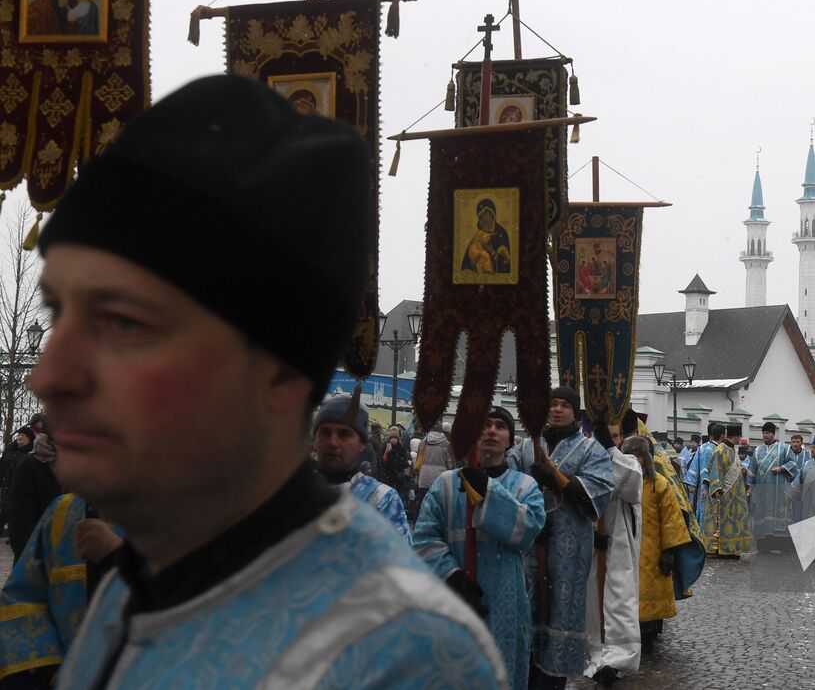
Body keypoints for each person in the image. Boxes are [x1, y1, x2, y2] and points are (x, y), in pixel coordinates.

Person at [28, 74, 505, 687]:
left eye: (122, 322)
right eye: (56, 313)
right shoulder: (136, 585)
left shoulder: (403, 657)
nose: (48, 376)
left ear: (278, 369)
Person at [414, 406, 545, 690]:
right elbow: (424, 538)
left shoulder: (525, 486)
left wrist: (488, 490)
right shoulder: (445, 485)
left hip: (504, 602)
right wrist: (453, 578)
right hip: (453, 601)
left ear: (511, 440)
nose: (491, 431)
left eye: (500, 426)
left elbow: (528, 530)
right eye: (485, 424)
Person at [507, 386, 614, 689]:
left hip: (568, 550)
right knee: (527, 609)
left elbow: (598, 491)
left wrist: (557, 479)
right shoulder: (526, 448)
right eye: (552, 404)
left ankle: (552, 684)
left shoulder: (590, 449)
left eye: (564, 405)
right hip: (529, 547)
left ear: (576, 414)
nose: (557, 410)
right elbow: (507, 482)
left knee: (561, 612)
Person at [0, 492, 122, 684]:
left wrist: (118, 558)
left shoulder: (178, 513)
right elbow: (23, 597)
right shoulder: (65, 511)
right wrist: (47, 669)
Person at [582, 411, 643, 686]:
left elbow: (630, 485)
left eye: (616, 436)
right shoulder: (582, 462)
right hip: (590, 545)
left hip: (617, 545)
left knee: (618, 599)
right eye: (607, 435)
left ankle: (616, 658)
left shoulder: (628, 461)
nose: (612, 440)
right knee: (591, 602)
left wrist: (609, 449)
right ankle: (595, 654)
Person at [311, 391, 410, 543]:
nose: (332, 442)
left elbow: (401, 561)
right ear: (314, 440)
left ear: (362, 444)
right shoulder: (293, 492)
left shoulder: (382, 499)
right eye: (325, 432)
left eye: (344, 435)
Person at [625, 434, 693, 654]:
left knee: (650, 592)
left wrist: (668, 552)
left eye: (638, 455)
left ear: (647, 457)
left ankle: (649, 632)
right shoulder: (621, 483)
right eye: (629, 455)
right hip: (626, 548)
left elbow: (672, 519)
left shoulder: (659, 484)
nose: (635, 459)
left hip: (653, 551)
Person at [700, 423, 754, 556]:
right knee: (722, 522)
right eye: (739, 436)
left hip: (735, 495)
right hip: (723, 494)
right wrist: (717, 489)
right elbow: (715, 470)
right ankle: (719, 548)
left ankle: (731, 548)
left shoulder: (732, 450)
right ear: (735, 437)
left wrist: (743, 470)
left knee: (733, 521)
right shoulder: (720, 450)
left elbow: (732, 467)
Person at [6, 431, 60, 559]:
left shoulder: (78, 464)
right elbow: (19, 516)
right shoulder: (30, 465)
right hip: (36, 550)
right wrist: (29, 551)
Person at [747, 421, 798, 552]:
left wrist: (781, 469)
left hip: (779, 490)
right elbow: (752, 469)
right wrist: (749, 486)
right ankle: (765, 546)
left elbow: (793, 463)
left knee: (780, 516)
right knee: (763, 515)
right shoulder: (757, 450)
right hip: (762, 492)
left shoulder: (784, 448)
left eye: (768, 433)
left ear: (773, 434)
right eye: (763, 433)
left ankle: (782, 545)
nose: (765, 435)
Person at [462, 197, 512, 274]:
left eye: (486, 215)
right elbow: (466, 264)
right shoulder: (478, 235)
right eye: (481, 217)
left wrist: (492, 252)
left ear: (493, 216)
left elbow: (506, 264)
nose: (483, 220)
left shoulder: (501, 233)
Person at [684, 425, 717, 516]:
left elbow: (694, 466)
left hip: (707, 485)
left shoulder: (703, 448)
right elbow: (695, 467)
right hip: (705, 485)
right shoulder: (704, 448)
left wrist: (692, 484)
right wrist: (693, 485)